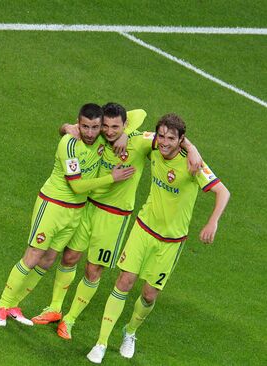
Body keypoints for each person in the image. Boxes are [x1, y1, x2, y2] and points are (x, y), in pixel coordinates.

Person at [32, 103, 202, 341]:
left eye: (116, 127)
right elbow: (65, 130)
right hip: (88, 205)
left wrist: (192, 148)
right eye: (106, 126)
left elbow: (168, 136)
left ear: (125, 126)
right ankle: (54, 308)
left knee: (93, 269)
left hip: (114, 216)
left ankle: (69, 320)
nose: (109, 131)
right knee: (70, 257)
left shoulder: (140, 141)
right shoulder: (97, 134)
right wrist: (67, 127)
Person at [86, 114, 230, 364]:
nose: (164, 142)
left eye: (171, 138)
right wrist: (120, 135)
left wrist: (212, 221)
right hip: (144, 228)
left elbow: (222, 191)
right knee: (124, 280)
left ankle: (129, 332)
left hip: (171, 242)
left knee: (149, 295)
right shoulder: (153, 144)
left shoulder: (193, 164)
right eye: (161, 136)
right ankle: (101, 342)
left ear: (181, 140)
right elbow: (128, 133)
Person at [0, 103, 139, 327]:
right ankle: (1, 306)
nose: (90, 133)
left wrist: (125, 135)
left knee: (49, 260)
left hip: (75, 212)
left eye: (95, 128)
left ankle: (14, 304)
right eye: (85, 127)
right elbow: (78, 186)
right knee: (33, 256)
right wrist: (112, 178)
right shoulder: (69, 143)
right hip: (53, 206)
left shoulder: (102, 137)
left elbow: (139, 114)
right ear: (78, 124)